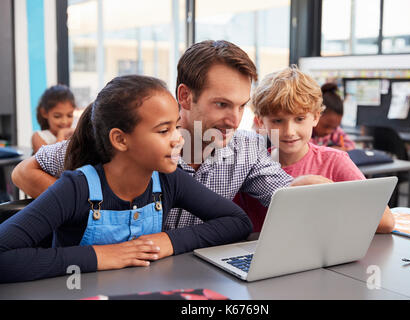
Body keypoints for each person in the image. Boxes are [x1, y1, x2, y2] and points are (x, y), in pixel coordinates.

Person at [12, 40, 297, 230]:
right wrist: (91, 215)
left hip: (189, 274)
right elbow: (24, 172)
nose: (235, 120)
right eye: (221, 104)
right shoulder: (135, 140)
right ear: (185, 96)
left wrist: (315, 189)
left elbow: (288, 198)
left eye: (242, 106)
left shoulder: (248, 148)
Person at [0, 75, 252, 283]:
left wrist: (168, 241)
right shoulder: (76, 189)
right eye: (164, 131)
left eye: (176, 127)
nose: (178, 139)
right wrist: (100, 256)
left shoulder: (168, 179)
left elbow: (237, 222)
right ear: (120, 139)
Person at [234, 66, 395, 233]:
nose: (289, 131)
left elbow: (386, 222)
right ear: (260, 122)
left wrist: (336, 194)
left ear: (316, 117)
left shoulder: (335, 161)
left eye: (299, 119)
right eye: (277, 121)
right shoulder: (251, 165)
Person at [31, 85, 76, 154]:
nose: (64, 121)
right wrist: (61, 135)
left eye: (69, 115)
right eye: (57, 116)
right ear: (44, 113)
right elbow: (52, 162)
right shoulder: (38, 137)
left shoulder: (73, 135)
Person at [310, 83, 355, 151]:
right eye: (326, 126)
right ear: (315, 115)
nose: (329, 131)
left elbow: (351, 145)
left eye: (334, 127)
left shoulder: (334, 131)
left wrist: (342, 149)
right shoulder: (306, 132)